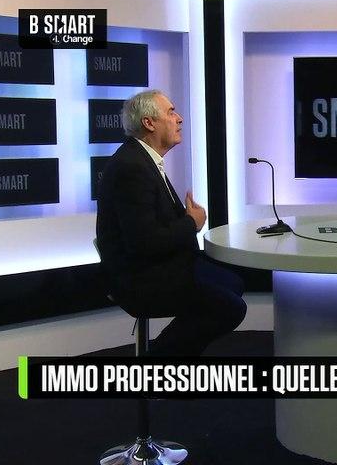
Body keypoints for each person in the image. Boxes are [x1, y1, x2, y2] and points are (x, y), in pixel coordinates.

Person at [96, 90, 246, 356]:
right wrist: (191, 222)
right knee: (231, 307)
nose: (179, 119)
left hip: (160, 265)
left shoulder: (142, 159)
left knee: (233, 284)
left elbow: (151, 224)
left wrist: (186, 219)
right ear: (149, 123)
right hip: (141, 278)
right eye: (170, 112)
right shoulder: (132, 167)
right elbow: (145, 242)